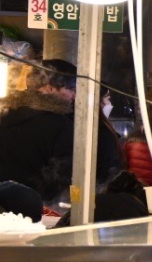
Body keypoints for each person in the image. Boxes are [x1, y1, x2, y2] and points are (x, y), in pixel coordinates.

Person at [0, 58, 123, 205]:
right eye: (71, 89)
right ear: (50, 88)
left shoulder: (6, 115)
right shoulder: (60, 125)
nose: (75, 95)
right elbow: (66, 178)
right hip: (38, 209)